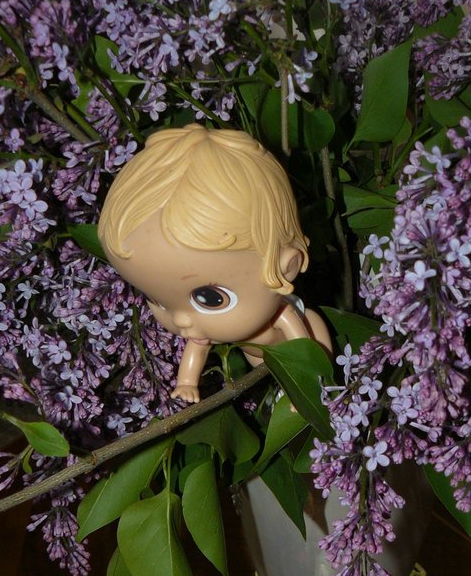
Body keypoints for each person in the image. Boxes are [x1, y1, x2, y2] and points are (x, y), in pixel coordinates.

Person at [98, 124, 331, 403]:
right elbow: (196, 350)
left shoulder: (283, 316)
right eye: (154, 297)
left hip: (307, 348)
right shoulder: (202, 329)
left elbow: (302, 351)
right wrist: (186, 383)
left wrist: (305, 391)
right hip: (261, 362)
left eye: (210, 298)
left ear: (286, 269)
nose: (181, 319)